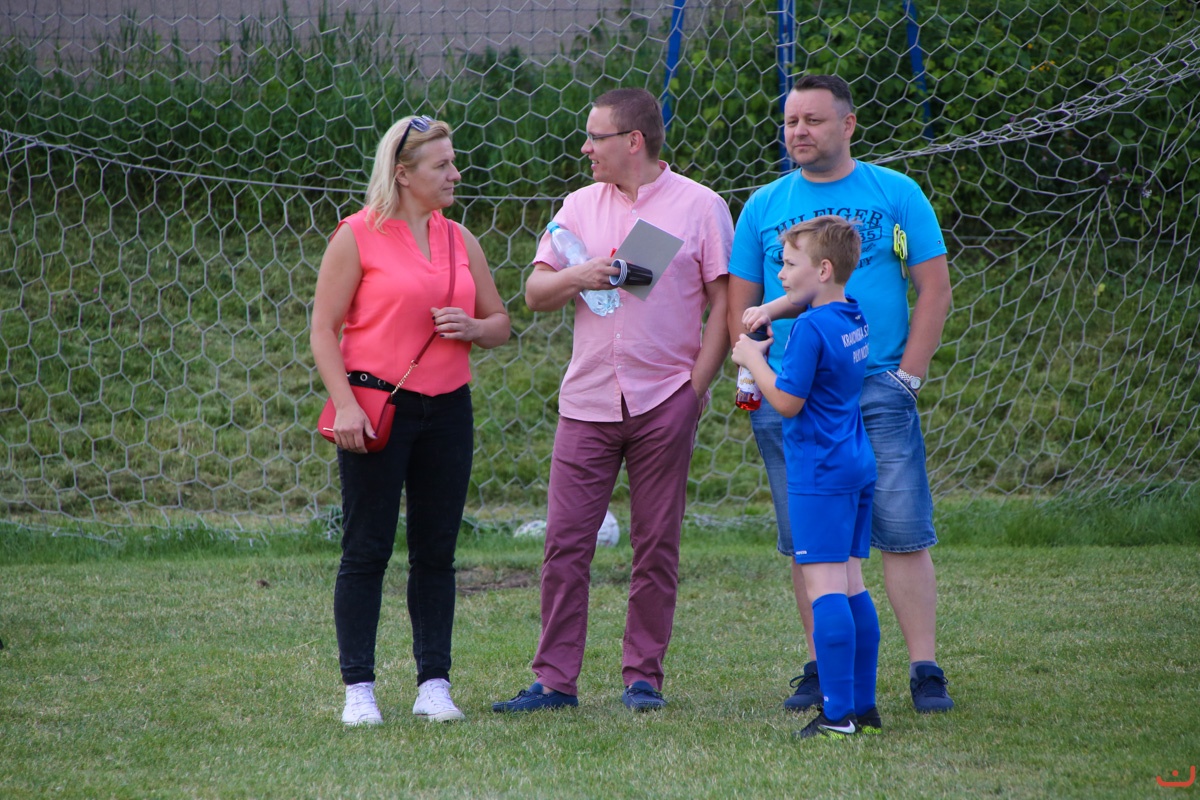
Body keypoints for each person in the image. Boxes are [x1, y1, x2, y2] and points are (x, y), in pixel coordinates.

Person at [492, 88, 733, 713]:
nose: (585, 148)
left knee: (656, 545)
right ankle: (554, 682)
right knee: (565, 545)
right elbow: (535, 293)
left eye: (595, 137)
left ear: (634, 141)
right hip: (587, 402)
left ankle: (643, 679)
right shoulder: (577, 205)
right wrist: (579, 274)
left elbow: (725, 305)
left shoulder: (701, 207)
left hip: (664, 401)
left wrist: (694, 391)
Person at [727, 75, 955, 714]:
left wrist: (908, 375)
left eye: (814, 120)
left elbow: (934, 289)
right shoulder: (764, 205)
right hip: (794, 395)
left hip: (877, 386)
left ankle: (925, 669)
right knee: (811, 538)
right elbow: (743, 305)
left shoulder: (896, 193)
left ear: (848, 125)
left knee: (902, 530)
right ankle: (823, 669)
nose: (799, 131)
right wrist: (753, 373)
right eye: (790, 121)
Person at [310, 114, 511, 726]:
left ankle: (434, 684)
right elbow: (323, 330)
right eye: (442, 165)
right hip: (376, 408)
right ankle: (359, 689)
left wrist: (473, 328)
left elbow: (500, 323)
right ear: (402, 174)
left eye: (453, 162)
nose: (456, 174)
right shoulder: (356, 235)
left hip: (448, 410)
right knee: (366, 549)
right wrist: (346, 404)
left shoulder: (461, 238)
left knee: (436, 552)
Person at [732, 215, 880, 739]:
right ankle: (864, 706)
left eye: (789, 263)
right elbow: (802, 306)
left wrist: (751, 358)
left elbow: (788, 402)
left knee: (824, 590)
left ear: (822, 269)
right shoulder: (851, 313)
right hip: (854, 462)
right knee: (853, 584)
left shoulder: (811, 330)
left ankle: (838, 715)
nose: (780, 273)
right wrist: (773, 311)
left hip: (819, 471)